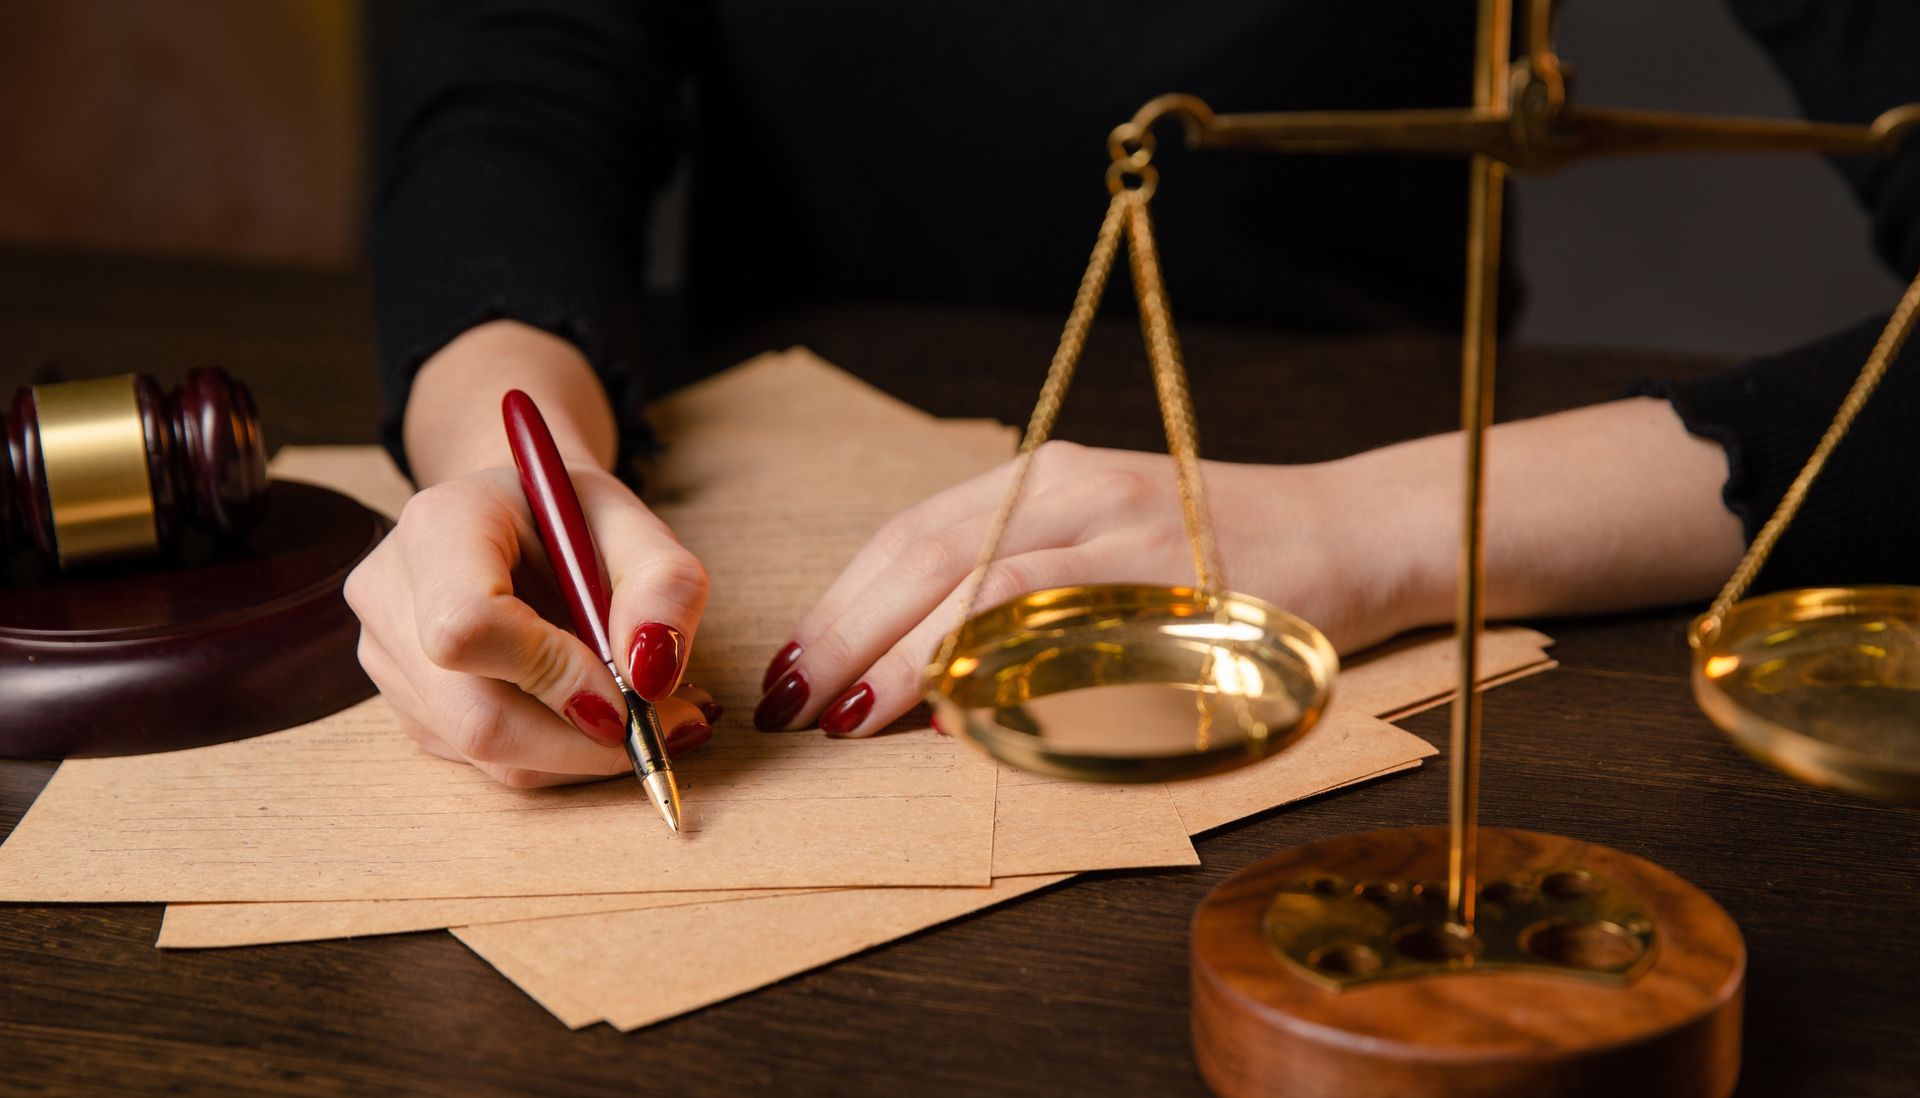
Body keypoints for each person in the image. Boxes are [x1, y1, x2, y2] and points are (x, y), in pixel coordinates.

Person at [346, 1, 1920, 789]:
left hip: (1379, 460)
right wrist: (503, 443)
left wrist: (1367, 530)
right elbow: (521, 81)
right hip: (777, 451)